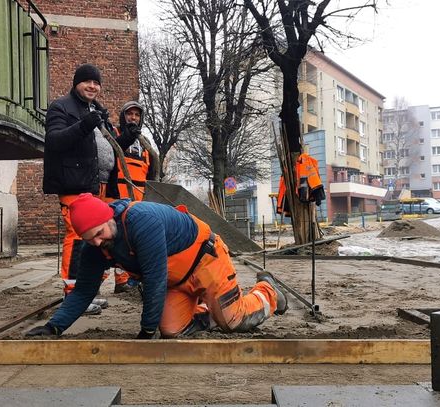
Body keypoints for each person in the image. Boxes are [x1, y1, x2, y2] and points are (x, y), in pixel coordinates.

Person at [25, 193, 288, 338]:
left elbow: (154, 278)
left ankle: (268, 291)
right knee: (172, 330)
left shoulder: (141, 221)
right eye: (88, 239)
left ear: (108, 218)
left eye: (99, 233)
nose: (96, 242)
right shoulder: (94, 247)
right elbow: (83, 291)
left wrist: (146, 330)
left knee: (234, 321)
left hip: (206, 262)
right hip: (176, 281)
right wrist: (54, 327)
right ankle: (208, 309)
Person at [43, 64, 139, 312]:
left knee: (97, 239)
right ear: (76, 83)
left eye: (96, 83)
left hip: (99, 187)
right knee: (77, 238)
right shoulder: (61, 107)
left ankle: (87, 291)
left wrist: (126, 137)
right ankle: (73, 294)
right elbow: (54, 141)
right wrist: (86, 124)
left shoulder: (93, 110)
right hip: (75, 184)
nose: (92, 86)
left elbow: (106, 146)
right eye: (87, 82)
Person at [110, 101, 156, 293]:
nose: (133, 118)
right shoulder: (114, 134)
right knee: (118, 238)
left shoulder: (144, 142)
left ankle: (131, 278)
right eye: (130, 114)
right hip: (118, 196)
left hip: (139, 197)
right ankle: (118, 280)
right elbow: (110, 155)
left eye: (137, 115)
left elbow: (151, 170)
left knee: (135, 239)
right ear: (123, 116)